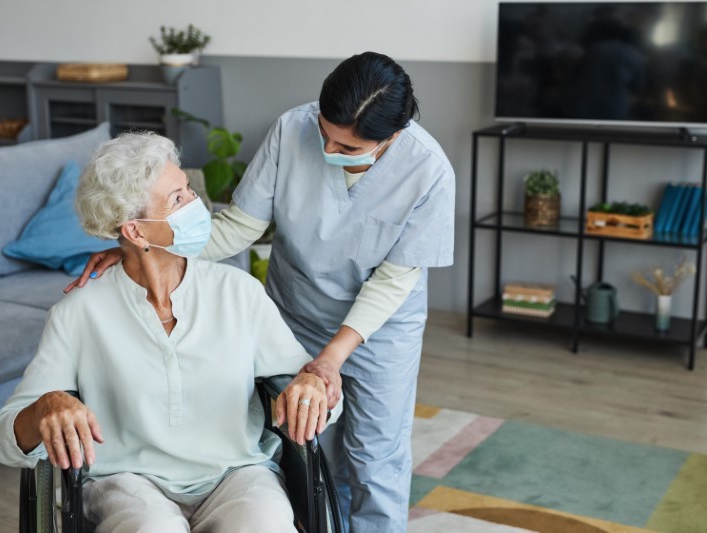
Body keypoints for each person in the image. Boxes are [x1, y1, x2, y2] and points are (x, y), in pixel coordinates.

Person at [67, 51, 455, 532]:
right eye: (325, 133)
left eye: (349, 149)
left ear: (391, 137)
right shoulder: (291, 130)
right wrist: (141, 246)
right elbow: (237, 229)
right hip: (298, 310)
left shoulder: (429, 171)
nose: (329, 151)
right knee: (312, 449)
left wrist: (333, 358)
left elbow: (394, 279)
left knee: (376, 454)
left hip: (381, 327)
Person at [0, 132, 338, 533]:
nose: (198, 205)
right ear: (136, 232)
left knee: (267, 525)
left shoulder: (238, 291)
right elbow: (3, 438)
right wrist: (46, 405)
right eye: (178, 199)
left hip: (236, 473)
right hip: (127, 483)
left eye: (188, 189)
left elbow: (317, 393)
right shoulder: (79, 314)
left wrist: (312, 386)